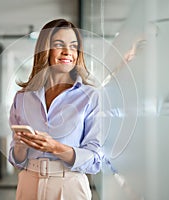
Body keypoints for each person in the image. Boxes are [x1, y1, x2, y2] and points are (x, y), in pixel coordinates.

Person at [8, 19, 104, 200]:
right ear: (44, 50)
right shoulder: (22, 97)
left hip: (69, 185)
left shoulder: (91, 97)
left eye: (74, 46)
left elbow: (95, 160)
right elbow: (16, 160)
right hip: (28, 183)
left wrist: (55, 147)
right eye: (59, 45)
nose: (68, 52)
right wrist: (20, 146)